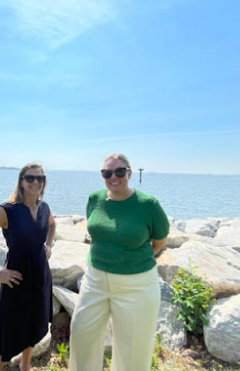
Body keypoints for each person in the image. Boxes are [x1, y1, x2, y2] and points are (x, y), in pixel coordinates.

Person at [69, 152, 169, 371]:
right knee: (81, 333)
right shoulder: (94, 198)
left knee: (132, 350)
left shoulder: (148, 204)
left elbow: (160, 239)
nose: (113, 177)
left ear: (129, 172)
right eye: (107, 173)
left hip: (137, 285)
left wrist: (139, 257)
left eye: (119, 171)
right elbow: (96, 231)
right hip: (95, 280)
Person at [0, 162, 56, 371]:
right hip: (16, 281)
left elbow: (52, 225)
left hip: (41, 278)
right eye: (30, 178)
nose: (36, 182)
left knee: (34, 330)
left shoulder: (44, 207)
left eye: (40, 178)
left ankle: (25, 367)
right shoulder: (7, 210)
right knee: (5, 345)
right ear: (21, 181)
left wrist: (48, 245)